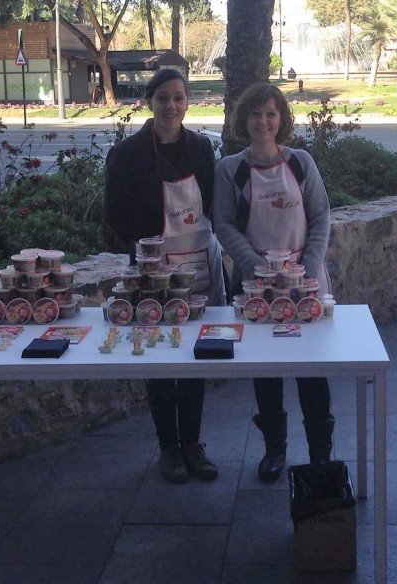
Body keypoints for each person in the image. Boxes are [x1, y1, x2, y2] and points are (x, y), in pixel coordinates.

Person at [104, 69, 225, 483]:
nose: (171, 106)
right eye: (163, 99)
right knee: (159, 354)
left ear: (188, 102)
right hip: (152, 274)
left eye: (178, 98)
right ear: (148, 102)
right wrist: (148, 255)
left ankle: (193, 444)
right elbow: (114, 213)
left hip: (195, 271)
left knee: (193, 355)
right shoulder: (125, 154)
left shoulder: (201, 149)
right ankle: (168, 448)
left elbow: (210, 203)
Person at [213, 82, 335, 483]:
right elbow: (224, 224)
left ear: (281, 119)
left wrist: (310, 266)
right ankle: (274, 451)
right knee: (264, 369)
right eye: (254, 114)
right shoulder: (231, 169)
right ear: (242, 120)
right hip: (254, 288)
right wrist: (253, 266)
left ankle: (320, 454)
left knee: (313, 370)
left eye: (270, 113)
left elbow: (320, 217)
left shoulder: (301, 163)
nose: (263, 121)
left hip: (305, 285)